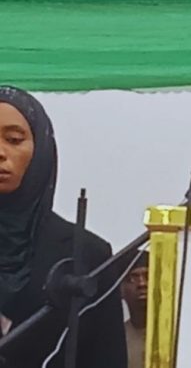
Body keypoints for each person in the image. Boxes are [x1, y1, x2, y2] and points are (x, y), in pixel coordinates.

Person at [0, 86, 127, 368]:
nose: (0, 152)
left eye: (14, 139)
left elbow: (107, 358)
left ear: (42, 151)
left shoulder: (86, 254)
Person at [120, 251, 148, 368]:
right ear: (120, 289)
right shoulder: (117, 339)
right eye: (132, 279)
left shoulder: (180, 334)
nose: (142, 284)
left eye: (148, 276)